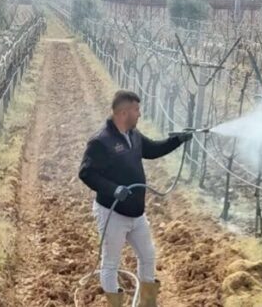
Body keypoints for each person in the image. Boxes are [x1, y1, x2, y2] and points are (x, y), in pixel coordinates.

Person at [78, 90, 192, 307]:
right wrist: (113, 189)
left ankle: (147, 304)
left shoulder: (133, 135)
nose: (139, 114)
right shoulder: (101, 142)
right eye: (136, 110)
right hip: (113, 213)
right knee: (110, 264)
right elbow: (86, 173)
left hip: (137, 214)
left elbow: (153, 150)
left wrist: (177, 140)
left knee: (148, 256)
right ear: (123, 113)